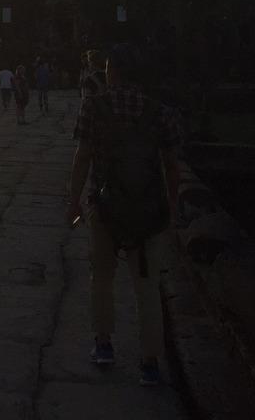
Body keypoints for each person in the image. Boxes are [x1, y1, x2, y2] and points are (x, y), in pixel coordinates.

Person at [66, 43, 183, 387]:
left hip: (104, 207)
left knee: (102, 277)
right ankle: (150, 362)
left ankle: (104, 345)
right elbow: (172, 166)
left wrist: (73, 201)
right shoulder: (159, 112)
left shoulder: (93, 106)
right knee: (147, 284)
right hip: (148, 211)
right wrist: (172, 206)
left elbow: (82, 156)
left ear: (110, 71)